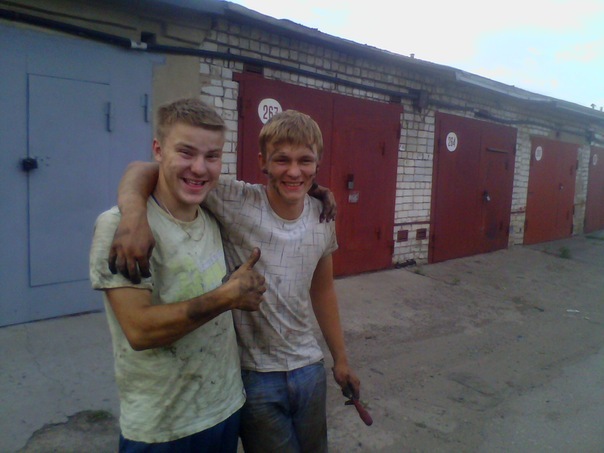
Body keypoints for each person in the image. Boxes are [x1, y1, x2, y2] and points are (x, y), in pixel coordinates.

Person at [112, 109, 361, 452]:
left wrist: (341, 359)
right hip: (254, 375)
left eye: (305, 161)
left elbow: (323, 289)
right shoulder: (236, 200)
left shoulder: (322, 215)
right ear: (262, 162)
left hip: (308, 367)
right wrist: (133, 213)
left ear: (317, 164)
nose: (293, 171)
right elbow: (146, 170)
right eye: (282, 160)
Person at [89, 98, 267, 452]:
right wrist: (227, 296)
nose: (199, 168)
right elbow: (139, 330)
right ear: (158, 150)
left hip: (224, 408)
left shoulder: (212, 215)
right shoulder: (121, 229)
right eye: (186, 152)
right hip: (163, 428)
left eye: (212, 156)